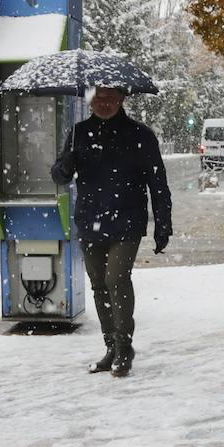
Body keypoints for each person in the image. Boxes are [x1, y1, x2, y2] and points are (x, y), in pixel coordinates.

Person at [52, 86, 172, 377]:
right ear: (91, 101)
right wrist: (65, 163)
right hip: (90, 218)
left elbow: (157, 182)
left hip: (127, 219)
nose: (104, 104)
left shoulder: (140, 135)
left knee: (116, 278)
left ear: (122, 100)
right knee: (99, 285)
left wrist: (163, 224)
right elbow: (58, 176)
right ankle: (110, 347)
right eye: (99, 99)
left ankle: (123, 346)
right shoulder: (79, 133)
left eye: (111, 99)